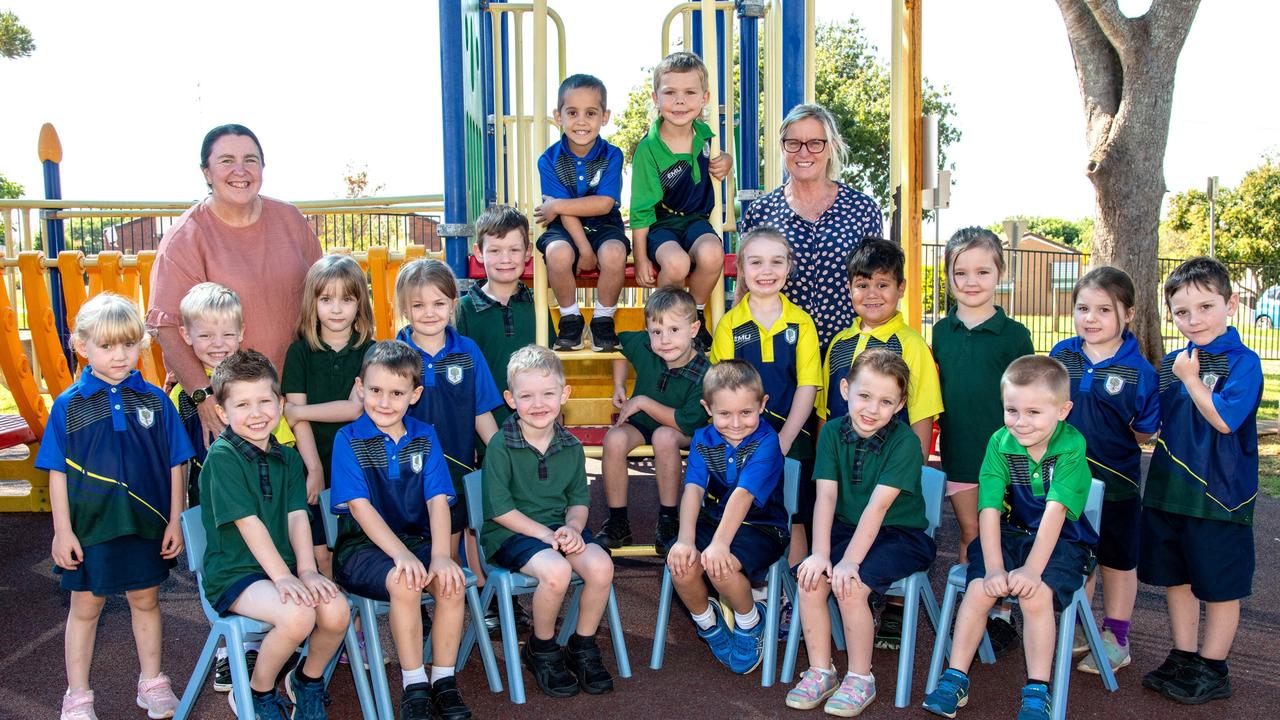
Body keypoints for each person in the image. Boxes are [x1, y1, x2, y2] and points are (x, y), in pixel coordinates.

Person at [39, 294, 195, 720]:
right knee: (85, 608)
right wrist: (62, 530)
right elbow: (56, 471)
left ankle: (152, 682)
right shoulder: (68, 405)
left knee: (146, 601)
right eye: (107, 347)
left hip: (145, 526)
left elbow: (175, 463)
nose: (120, 355)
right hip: (90, 527)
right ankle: (78, 694)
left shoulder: (157, 402)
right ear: (83, 347)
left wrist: (175, 519)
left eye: (128, 345)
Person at [923, 356, 1096, 720]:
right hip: (1013, 531)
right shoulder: (1001, 443)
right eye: (1012, 410)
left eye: (1034, 412)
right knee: (981, 587)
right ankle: (955, 677)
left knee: (1035, 597)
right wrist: (995, 568)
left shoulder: (1071, 446)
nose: (1021, 422)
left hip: (1062, 538)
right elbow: (988, 508)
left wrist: (1031, 571)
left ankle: (1037, 690)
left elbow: (1056, 513)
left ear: (1063, 410)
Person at [147, 124, 322, 451]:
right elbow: (167, 328)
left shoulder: (290, 220)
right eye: (227, 160)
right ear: (206, 172)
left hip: (297, 398)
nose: (240, 170)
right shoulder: (185, 238)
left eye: (250, 160)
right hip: (230, 406)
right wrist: (205, 397)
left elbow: (322, 296)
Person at [198, 350, 350, 720]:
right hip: (236, 574)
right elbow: (248, 524)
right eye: (243, 404)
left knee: (336, 611)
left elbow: (299, 517)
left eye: (265, 401)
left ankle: (305, 679)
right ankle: (255, 691)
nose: (256, 414)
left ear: (280, 405)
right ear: (222, 412)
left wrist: (307, 570)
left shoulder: (289, 458)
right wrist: (284, 577)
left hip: (279, 569)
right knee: (299, 616)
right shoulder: (222, 457)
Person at [786, 350, 935, 716]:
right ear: (844, 389)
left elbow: (878, 508)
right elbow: (826, 496)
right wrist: (820, 554)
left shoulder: (904, 443)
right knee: (811, 579)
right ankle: (822, 670)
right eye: (864, 396)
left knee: (850, 589)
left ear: (900, 405)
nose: (871, 409)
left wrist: (849, 562)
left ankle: (860, 677)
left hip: (901, 535)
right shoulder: (833, 433)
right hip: (848, 528)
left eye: (885, 402)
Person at [1138, 257, 1260, 705]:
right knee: (1177, 578)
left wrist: (1190, 380)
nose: (1194, 320)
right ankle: (1184, 655)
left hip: (1221, 499)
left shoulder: (1243, 363)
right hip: (1171, 493)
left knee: (1220, 586)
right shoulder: (1173, 362)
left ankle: (1214, 666)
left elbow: (1226, 420)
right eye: (1182, 312)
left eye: (1206, 307)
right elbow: (1148, 423)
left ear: (1229, 305)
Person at [329, 341, 471, 720]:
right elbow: (359, 509)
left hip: (415, 541)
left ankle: (443, 680)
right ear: (361, 388)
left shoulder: (425, 435)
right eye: (375, 391)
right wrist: (401, 555)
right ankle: (414, 685)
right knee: (405, 581)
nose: (384, 401)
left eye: (396, 393)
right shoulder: (349, 440)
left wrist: (441, 556)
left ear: (415, 394)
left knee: (451, 580)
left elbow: (438, 499)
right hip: (360, 550)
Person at [169, 281, 297, 693]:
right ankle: (231, 650)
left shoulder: (253, 380)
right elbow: (181, 454)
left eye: (226, 333)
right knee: (222, 565)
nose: (217, 343)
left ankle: (271, 648)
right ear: (187, 337)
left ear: (241, 333)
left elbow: (281, 438)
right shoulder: (185, 393)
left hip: (262, 493)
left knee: (268, 561)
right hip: (216, 493)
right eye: (205, 335)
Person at [819, 237, 942, 649]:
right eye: (862, 284)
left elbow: (922, 413)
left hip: (891, 473)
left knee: (883, 529)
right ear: (850, 288)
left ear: (902, 289)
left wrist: (917, 472)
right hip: (848, 474)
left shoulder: (911, 345)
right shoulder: (838, 345)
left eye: (883, 284)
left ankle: (892, 605)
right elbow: (828, 414)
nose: (872, 294)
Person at [481, 345, 616, 698]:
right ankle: (542, 647)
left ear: (564, 394)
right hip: (511, 533)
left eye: (547, 394)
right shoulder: (499, 445)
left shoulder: (571, 446)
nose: (538, 404)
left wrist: (572, 528)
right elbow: (499, 511)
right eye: (526, 396)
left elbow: (578, 503)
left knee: (601, 565)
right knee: (556, 572)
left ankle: (582, 645)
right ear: (511, 399)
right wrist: (546, 534)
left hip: (559, 529)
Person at [1049, 266, 1159, 675]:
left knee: (1116, 561)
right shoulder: (1062, 355)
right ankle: (1079, 626)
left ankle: (1117, 636)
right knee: (1077, 556)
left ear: (1128, 314)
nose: (1090, 318)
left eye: (1103, 310)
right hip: (1064, 482)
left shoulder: (1141, 372)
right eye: (1082, 308)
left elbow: (1144, 431)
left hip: (1117, 485)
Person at [931, 227, 1033, 656]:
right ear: (948, 276)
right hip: (960, 454)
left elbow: (1030, 397)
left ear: (999, 273)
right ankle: (976, 606)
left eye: (982, 271)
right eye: (961, 273)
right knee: (972, 533)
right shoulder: (939, 332)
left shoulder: (1014, 336)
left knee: (1005, 532)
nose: (971, 282)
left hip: (1008, 458)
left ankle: (1001, 615)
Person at [709, 226, 821, 570]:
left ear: (789, 268)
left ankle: (793, 593)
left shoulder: (801, 323)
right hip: (742, 441)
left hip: (792, 439)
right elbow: (722, 390)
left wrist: (784, 441)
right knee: (744, 507)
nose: (766, 271)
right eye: (756, 262)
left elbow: (807, 385)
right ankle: (753, 585)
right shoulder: (729, 325)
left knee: (796, 514)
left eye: (776, 262)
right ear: (742, 269)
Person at [667, 360, 789, 675]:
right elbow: (693, 489)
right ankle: (707, 622)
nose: (736, 423)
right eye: (724, 414)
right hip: (716, 520)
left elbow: (743, 495)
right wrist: (685, 540)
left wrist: (719, 545)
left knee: (719, 566)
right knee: (681, 564)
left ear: (762, 405)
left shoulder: (767, 441)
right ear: (708, 408)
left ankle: (751, 621)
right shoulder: (702, 439)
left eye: (746, 413)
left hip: (762, 528)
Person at [739, 103, 883, 346]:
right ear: (783, 148)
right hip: (777, 347)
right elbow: (745, 284)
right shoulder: (761, 212)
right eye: (793, 143)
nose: (803, 153)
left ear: (832, 147)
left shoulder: (862, 209)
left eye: (815, 143)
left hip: (848, 347)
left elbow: (880, 281)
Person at [629, 51, 734, 351]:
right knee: (675, 263)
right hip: (662, 224)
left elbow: (721, 164)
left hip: (696, 221)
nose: (679, 101)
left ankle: (694, 315)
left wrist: (725, 161)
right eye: (670, 93)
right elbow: (640, 210)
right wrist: (640, 258)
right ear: (655, 98)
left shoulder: (705, 135)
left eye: (689, 93)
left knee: (713, 253)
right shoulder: (650, 149)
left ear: (705, 98)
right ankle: (660, 321)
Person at [394, 259, 502, 543]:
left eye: (438, 304)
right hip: (404, 473)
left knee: (449, 554)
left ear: (453, 304)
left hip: (454, 471)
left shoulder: (468, 352)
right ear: (405, 308)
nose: (429, 313)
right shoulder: (391, 357)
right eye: (418, 306)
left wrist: (506, 455)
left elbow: (481, 412)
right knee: (410, 550)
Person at [600, 287, 711, 554]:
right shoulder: (647, 348)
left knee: (664, 436)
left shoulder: (703, 372)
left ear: (694, 329)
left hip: (682, 429)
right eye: (657, 332)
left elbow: (685, 422)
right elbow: (618, 347)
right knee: (613, 439)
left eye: (675, 330)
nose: (665, 340)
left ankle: (668, 518)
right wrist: (619, 385)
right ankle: (618, 521)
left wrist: (641, 402)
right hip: (642, 423)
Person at [533, 74, 629, 352]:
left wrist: (557, 205)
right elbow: (563, 213)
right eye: (572, 113)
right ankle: (571, 318)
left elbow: (603, 204)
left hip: (604, 223)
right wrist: (584, 250)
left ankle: (603, 320)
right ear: (558, 116)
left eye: (591, 113)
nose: (581, 121)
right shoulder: (549, 160)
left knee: (614, 253)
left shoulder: (612, 155)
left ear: (605, 116)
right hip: (565, 227)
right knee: (557, 254)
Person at [457, 204, 538, 427]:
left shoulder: (537, 305)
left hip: (534, 427)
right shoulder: (464, 310)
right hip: (483, 431)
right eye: (495, 250)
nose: (505, 259)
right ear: (478, 253)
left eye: (514, 250)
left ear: (528, 252)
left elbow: (550, 366)